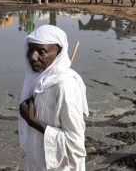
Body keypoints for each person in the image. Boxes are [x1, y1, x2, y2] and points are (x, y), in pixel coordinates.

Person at [19, 25, 89, 170]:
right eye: (31, 49)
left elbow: (74, 144)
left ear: (58, 52)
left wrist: (33, 121)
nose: (33, 56)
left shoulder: (65, 87)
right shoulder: (39, 80)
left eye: (41, 51)